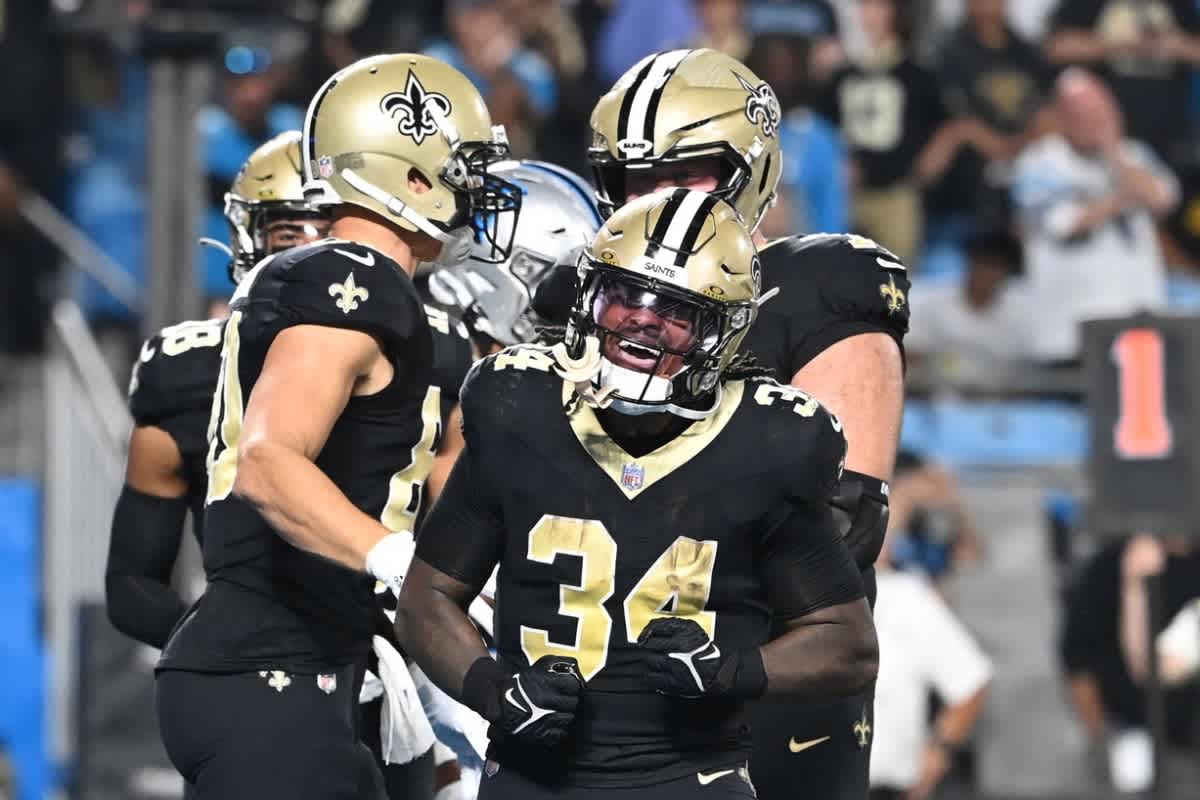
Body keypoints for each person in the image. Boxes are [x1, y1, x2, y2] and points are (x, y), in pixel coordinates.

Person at [397, 189, 878, 798]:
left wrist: (730, 670)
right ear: (588, 296)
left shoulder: (769, 442)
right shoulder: (518, 406)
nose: (643, 320)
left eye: (676, 310)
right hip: (530, 773)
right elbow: (426, 599)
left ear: (721, 333)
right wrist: (495, 692)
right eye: (625, 295)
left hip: (689, 777)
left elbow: (847, 644)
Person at [153, 54, 519, 799]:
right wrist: (398, 561)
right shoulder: (354, 281)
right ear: (411, 176)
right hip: (269, 665)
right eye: (464, 168)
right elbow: (267, 463)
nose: (476, 189)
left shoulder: (367, 286)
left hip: (311, 658)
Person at [587, 47, 908, 800]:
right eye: (634, 179)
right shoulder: (587, 303)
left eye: (684, 173)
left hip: (756, 673)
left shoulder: (816, 287)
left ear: (749, 169)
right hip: (600, 676)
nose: (657, 199)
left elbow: (841, 525)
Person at [105, 130, 331, 650]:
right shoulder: (188, 373)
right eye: (289, 234)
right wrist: (221, 649)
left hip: (399, 659)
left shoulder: (432, 357)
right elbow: (132, 584)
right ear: (249, 238)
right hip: (256, 663)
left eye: (328, 236)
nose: (310, 258)